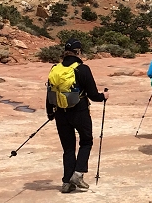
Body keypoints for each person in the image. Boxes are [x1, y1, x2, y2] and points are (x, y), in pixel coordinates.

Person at [45, 39, 109, 193]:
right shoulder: (83, 69)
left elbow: (49, 92)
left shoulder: (55, 68)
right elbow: (93, 95)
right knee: (86, 142)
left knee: (68, 148)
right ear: (78, 52)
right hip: (79, 112)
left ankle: (66, 183)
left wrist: (50, 112)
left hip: (60, 113)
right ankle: (78, 174)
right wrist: (104, 96)